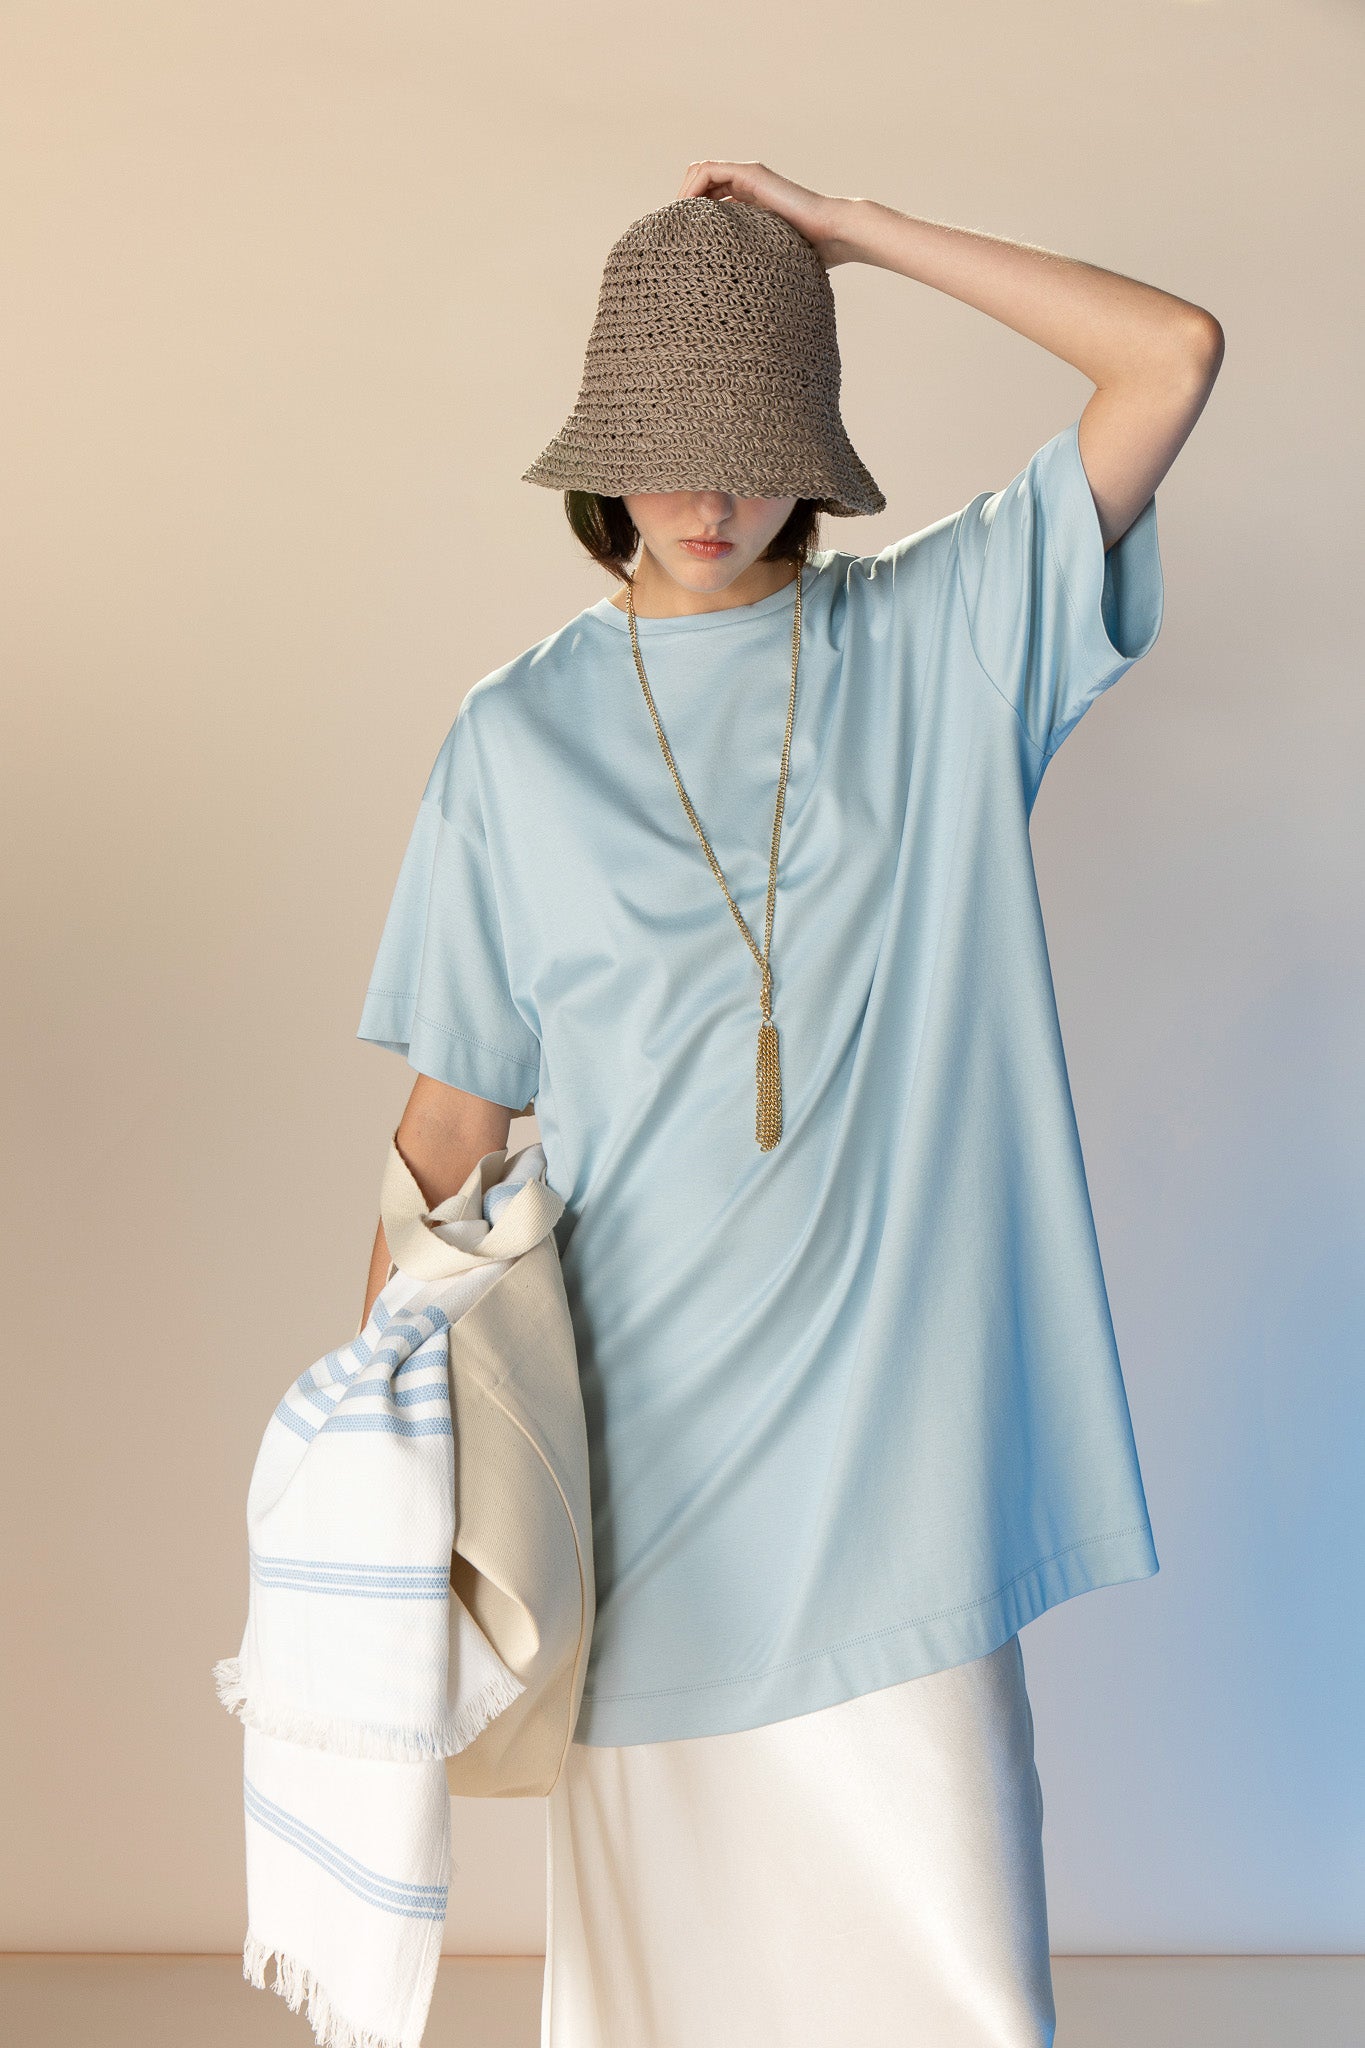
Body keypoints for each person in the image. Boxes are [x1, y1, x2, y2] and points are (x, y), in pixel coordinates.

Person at [355, 162, 1222, 2048]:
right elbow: (448, 1135)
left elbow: (1166, 353)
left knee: (950, 1982)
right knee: (667, 1998)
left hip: (900, 1458)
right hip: (641, 1456)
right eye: (667, 449)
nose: (708, 496)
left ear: (814, 452)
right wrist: (376, 1455)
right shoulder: (514, 739)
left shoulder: (940, 645)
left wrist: (857, 235)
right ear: (600, 453)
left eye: (755, 445)